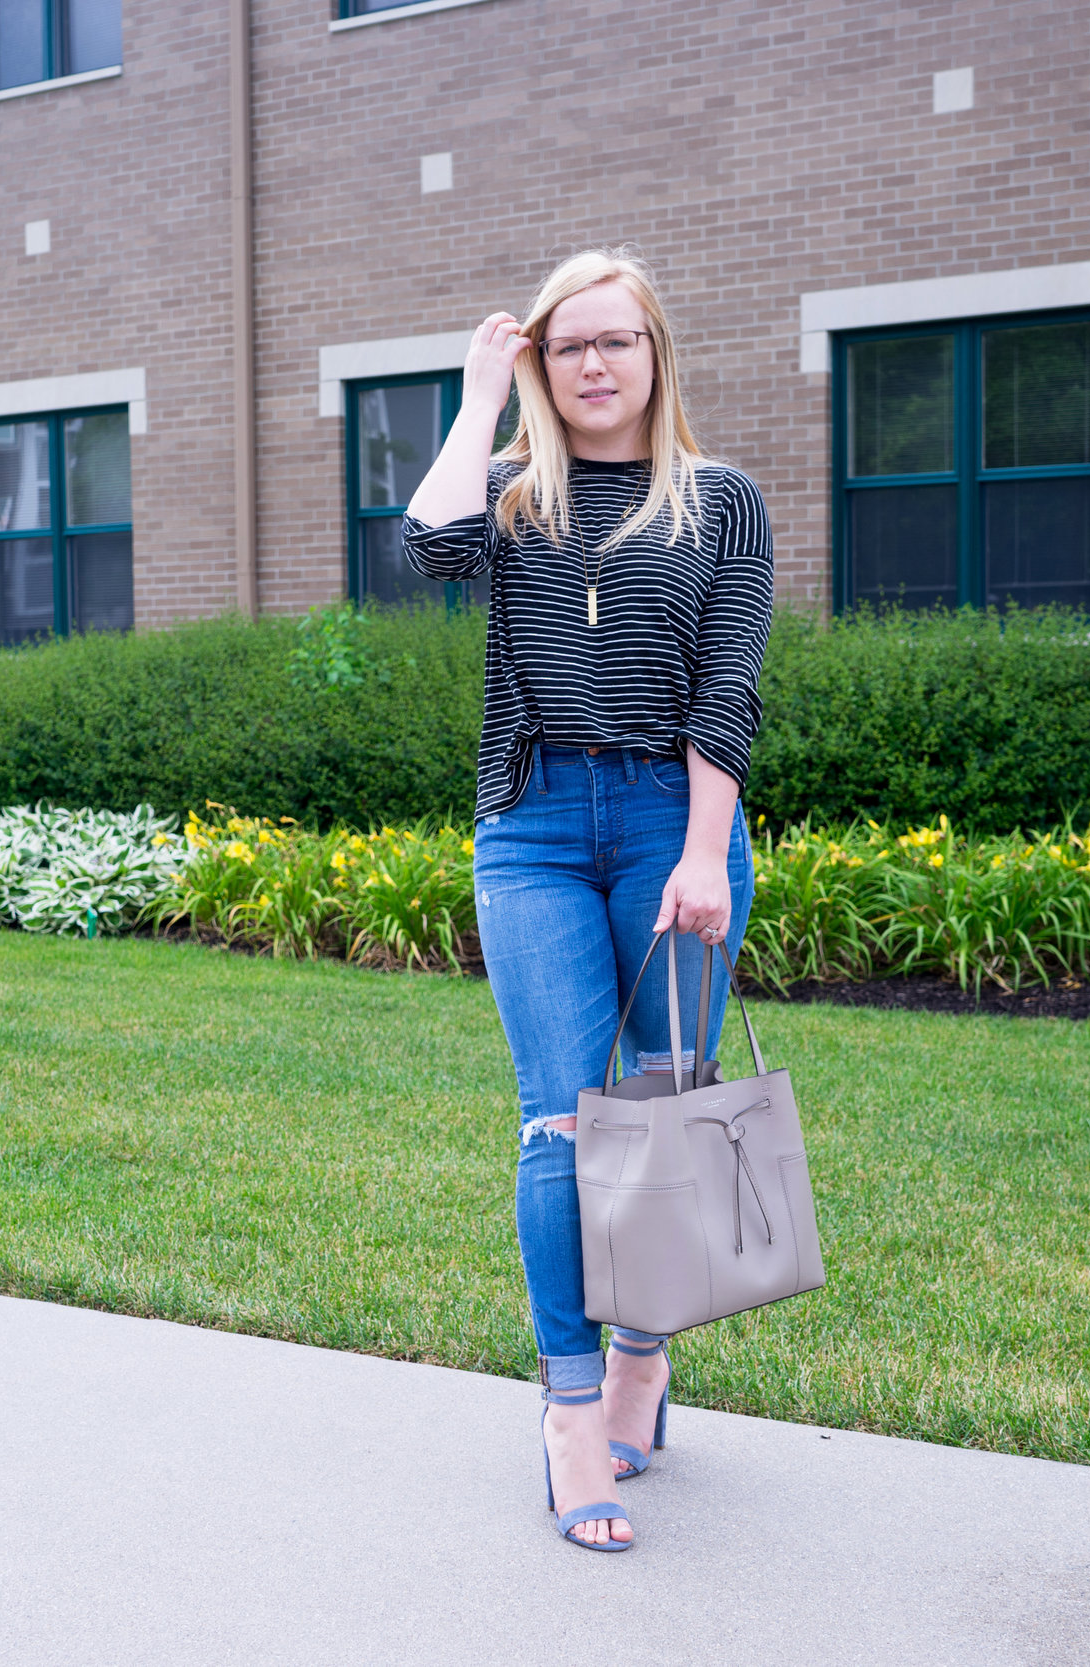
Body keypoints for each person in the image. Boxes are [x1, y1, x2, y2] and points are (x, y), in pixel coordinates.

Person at [401, 248, 774, 1552]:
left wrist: (702, 855)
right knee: (559, 1123)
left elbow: (730, 687)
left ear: (657, 355)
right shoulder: (510, 497)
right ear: (541, 367)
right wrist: (474, 400)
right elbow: (427, 544)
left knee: (663, 1113)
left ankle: (642, 1364)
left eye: (618, 341)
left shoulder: (720, 503)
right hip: (536, 833)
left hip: (678, 829)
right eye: (569, 348)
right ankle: (571, 1413)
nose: (596, 365)